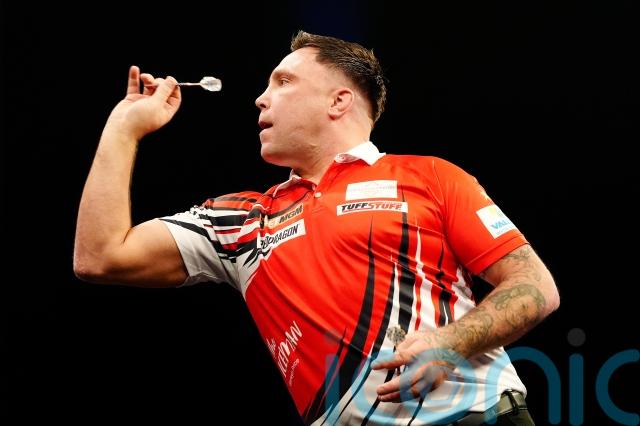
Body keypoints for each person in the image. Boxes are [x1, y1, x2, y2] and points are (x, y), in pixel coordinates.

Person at [74, 30, 559, 425]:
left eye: (283, 82)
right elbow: (100, 256)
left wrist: (451, 343)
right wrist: (123, 128)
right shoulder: (242, 220)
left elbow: (534, 286)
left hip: (477, 415)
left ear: (338, 101)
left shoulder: (431, 176)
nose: (260, 99)